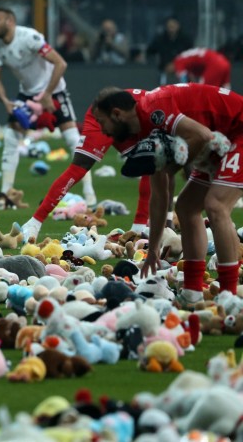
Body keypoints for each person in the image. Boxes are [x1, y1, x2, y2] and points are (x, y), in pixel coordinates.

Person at [92, 84, 243, 303]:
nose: (102, 130)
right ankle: (192, 290)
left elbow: (202, 135)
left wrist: (172, 166)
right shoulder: (144, 125)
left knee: (216, 205)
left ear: (116, 114)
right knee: (186, 207)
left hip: (236, 131)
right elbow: (160, 194)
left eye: (101, 122)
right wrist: (153, 248)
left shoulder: (154, 112)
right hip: (222, 138)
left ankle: (230, 295)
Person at [0, 8, 95, 204]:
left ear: (10, 21)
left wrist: (47, 94)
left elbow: (60, 63)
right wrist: (5, 101)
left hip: (53, 91)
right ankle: (5, 193)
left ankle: (90, 195)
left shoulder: (29, 37)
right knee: (11, 138)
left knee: (73, 140)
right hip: (27, 94)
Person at [21, 88, 153, 241]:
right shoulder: (155, 107)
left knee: (151, 164)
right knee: (79, 167)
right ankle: (34, 223)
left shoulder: (157, 108)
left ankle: (141, 228)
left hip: (129, 118)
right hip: (106, 113)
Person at [145, 17, 194, 83]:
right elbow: (150, 52)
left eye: (173, 26)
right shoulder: (160, 39)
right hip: (164, 71)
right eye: (169, 26)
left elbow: (191, 55)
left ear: (178, 25)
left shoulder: (186, 40)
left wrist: (176, 65)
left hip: (182, 72)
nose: (171, 28)